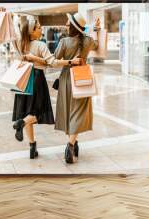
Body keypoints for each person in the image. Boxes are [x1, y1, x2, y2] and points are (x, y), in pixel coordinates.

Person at [0, 8, 82, 159]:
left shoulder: (19, 43)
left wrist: (6, 15)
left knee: (27, 111)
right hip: (36, 79)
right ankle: (21, 122)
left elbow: (10, 32)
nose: (40, 29)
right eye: (38, 28)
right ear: (31, 31)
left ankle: (32, 147)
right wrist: (70, 61)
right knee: (39, 112)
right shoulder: (40, 45)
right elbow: (53, 62)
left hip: (22, 80)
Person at [54, 13, 100, 164]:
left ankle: (71, 144)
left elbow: (54, 60)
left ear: (73, 27)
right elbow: (97, 44)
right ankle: (73, 144)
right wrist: (96, 30)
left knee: (69, 112)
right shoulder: (87, 41)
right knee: (78, 113)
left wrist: (68, 62)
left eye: (68, 24)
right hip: (82, 79)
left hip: (66, 79)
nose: (66, 26)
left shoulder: (64, 42)